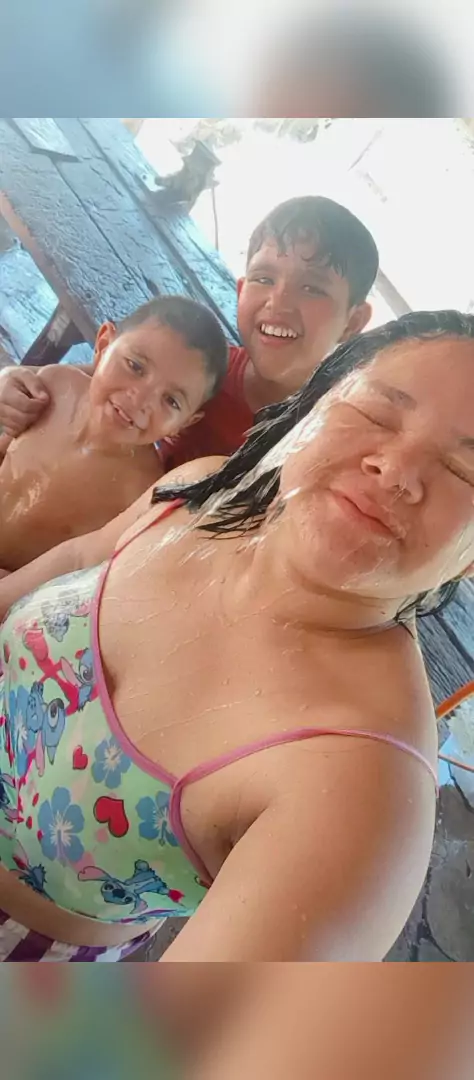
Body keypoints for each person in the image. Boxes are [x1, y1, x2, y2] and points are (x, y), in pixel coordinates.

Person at [1, 309, 473, 963]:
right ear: (311, 405)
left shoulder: (362, 787)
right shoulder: (198, 493)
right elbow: (80, 558)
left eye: (465, 471)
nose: (396, 470)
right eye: (377, 412)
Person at [0, 196, 378, 473]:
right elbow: (96, 378)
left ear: (353, 322)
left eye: (311, 288)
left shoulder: (323, 440)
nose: (278, 302)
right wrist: (13, 381)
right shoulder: (203, 368)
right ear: (241, 289)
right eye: (264, 278)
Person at [0, 295, 228, 570]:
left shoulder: (138, 494)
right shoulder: (55, 386)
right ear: (104, 344)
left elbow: (78, 574)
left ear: (184, 423)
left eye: (171, 400)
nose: (139, 399)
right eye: (135, 366)